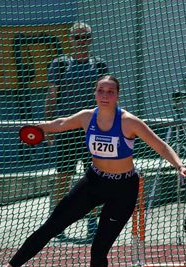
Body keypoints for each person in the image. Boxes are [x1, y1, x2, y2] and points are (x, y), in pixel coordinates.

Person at [0, 75, 186, 267]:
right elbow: (61, 123)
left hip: (123, 188)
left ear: (117, 95)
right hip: (94, 181)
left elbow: (160, 146)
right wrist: (38, 127)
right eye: (101, 91)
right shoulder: (87, 117)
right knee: (51, 225)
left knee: (99, 247)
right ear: (95, 93)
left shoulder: (129, 121)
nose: (105, 96)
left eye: (110, 92)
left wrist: (180, 166)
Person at [45, 22, 108, 241]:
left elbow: (106, 98)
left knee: (93, 178)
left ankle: (92, 223)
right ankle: (58, 222)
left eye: (85, 37)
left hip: (93, 130)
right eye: (77, 38)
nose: (82, 42)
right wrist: (49, 128)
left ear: (90, 40)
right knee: (63, 177)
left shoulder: (99, 65)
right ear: (70, 40)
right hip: (67, 129)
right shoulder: (60, 64)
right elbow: (52, 96)